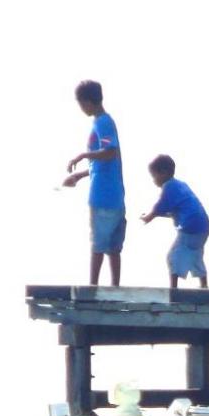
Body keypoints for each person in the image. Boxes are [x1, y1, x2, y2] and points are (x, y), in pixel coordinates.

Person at [63, 80, 126, 286]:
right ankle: (115, 287)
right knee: (113, 247)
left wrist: (82, 155)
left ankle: (93, 287)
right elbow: (101, 164)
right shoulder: (103, 122)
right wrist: (79, 176)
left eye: (81, 103)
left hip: (103, 195)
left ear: (87, 102)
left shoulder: (103, 123)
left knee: (98, 244)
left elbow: (110, 152)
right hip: (114, 193)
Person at [140, 154, 209, 288]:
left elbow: (160, 206)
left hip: (190, 226)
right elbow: (174, 210)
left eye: (154, 176)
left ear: (164, 173)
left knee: (173, 256)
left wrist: (148, 217)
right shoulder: (181, 185)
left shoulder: (169, 186)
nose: (154, 180)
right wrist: (158, 215)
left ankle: (173, 289)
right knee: (196, 254)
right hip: (203, 227)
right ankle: (204, 285)